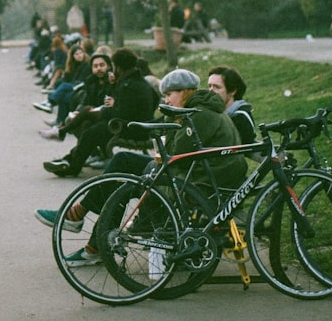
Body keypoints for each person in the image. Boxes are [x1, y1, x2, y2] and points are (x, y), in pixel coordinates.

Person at [35, 68, 246, 265]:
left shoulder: (200, 115)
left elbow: (173, 154)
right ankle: (83, 223)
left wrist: (170, 129)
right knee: (123, 161)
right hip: (187, 175)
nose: (166, 99)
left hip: (194, 184)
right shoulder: (191, 111)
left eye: (169, 94)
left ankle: (90, 238)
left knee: (120, 180)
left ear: (185, 92)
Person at [42, 48, 157, 177]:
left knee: (90, 132)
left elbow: (120, 113)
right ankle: (69, 160)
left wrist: (104, 111)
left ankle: (72, 164)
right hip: (134, 125)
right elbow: (154, 100)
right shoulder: (138, 81)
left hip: (131, 128)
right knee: (88, 125)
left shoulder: (128, 85)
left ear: (118, 67)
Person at [36, 44, 91, 127]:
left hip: (82, 88)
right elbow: (66, 79)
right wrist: (67, 72)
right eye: (77, 54)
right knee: (63, 97)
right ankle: (60, 121)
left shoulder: (86, 65)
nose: (79, 55)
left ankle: (50, 103)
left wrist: (69, 83)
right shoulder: (73, 65)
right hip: (74, 89)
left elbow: (81, 82)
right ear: (72, 56)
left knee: (65, 86)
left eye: (81, 53)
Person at [206, 66, 256, 147]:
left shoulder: (241, 118)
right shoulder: (213, 113)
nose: (211, 91)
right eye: (209, 86)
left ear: (232, 91)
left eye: (217, 87)